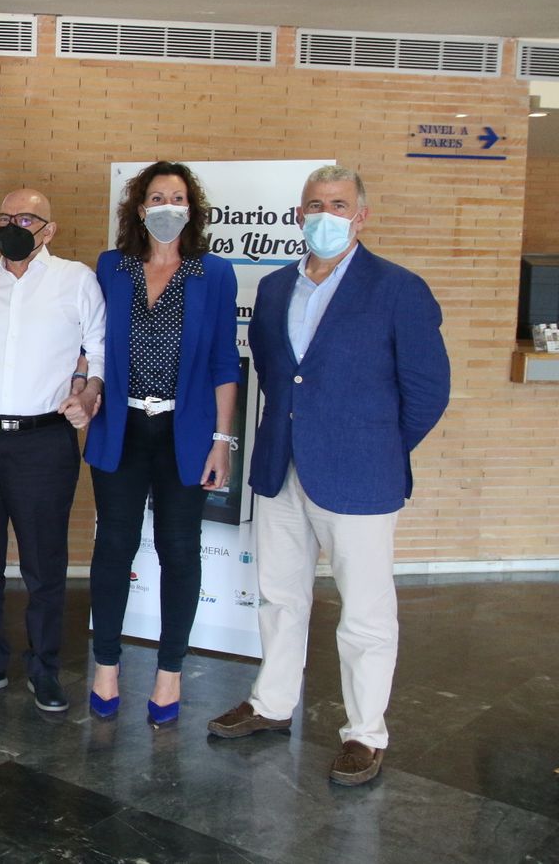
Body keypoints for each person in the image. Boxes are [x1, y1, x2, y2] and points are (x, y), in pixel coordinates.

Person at [209, 165, 450, 787]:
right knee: (279, 597)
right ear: (298, 215)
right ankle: (271, 703)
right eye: (314, 204)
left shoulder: (399, 288)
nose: (325, 214)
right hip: (282, 467)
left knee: (366, 614)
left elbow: (427, 391)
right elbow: (278, 373)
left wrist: (378, 450)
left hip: (361, 476)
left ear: (361, 216)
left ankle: (365, 734)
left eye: (339, 204)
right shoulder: (272, 288)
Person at [83, 161, 241, 725]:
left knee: (179, 550)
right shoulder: (111, 267)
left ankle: (169, 673)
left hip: (187, 432)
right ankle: (106, 665)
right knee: (114, 546)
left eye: (177, 197)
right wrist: (86, 388)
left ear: (191, 209)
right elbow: (92, 344)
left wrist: (222, 440)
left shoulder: (214, 274)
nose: (167, 206)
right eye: (156, 196)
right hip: (121, 429)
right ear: (139, 207)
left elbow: (225, 361)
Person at [0, 189, 105, 711]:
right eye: (5, 216)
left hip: (43, 441)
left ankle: (44, 667)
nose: (13, 225)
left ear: (48, 230)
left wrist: (88, 391)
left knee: (43, 561)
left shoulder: (76, 281)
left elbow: (99, 350)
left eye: (27, 217)